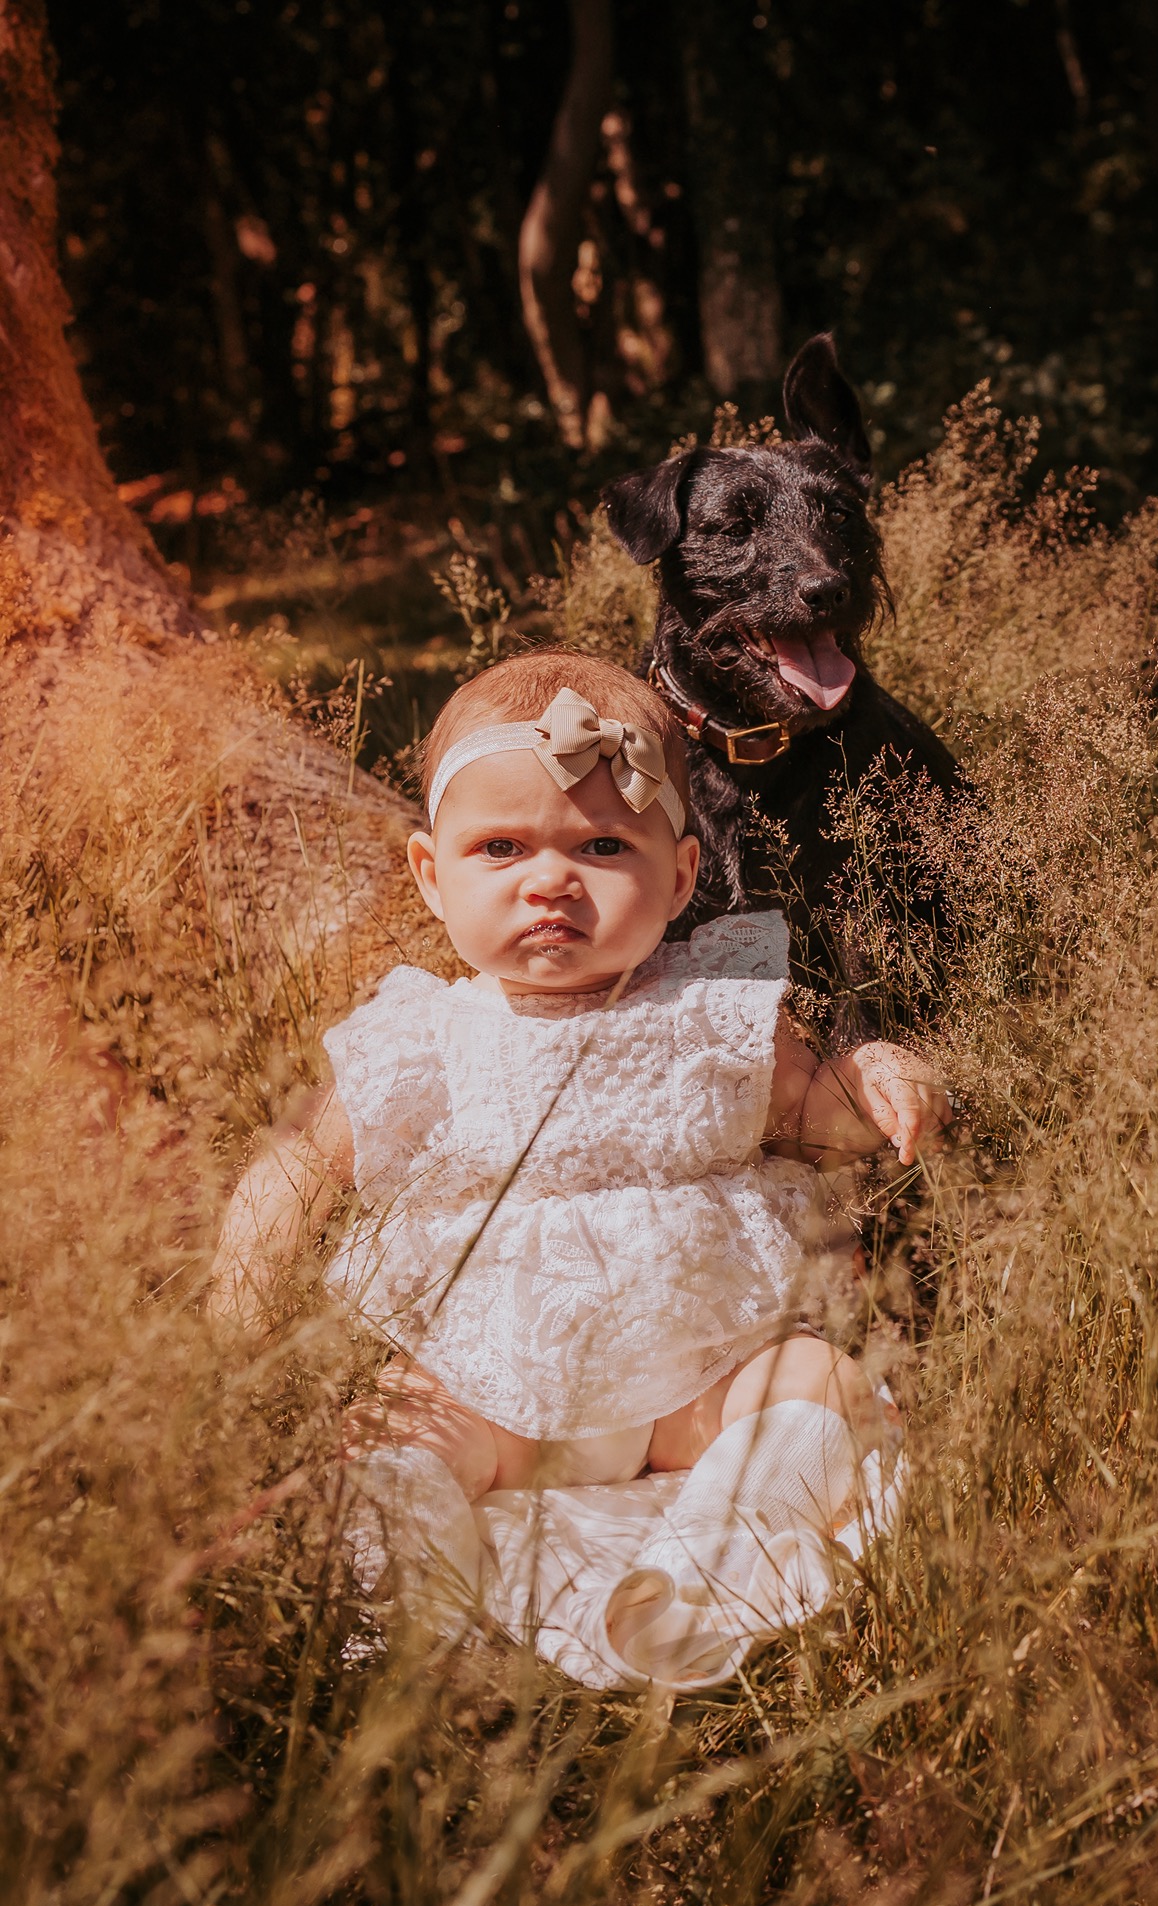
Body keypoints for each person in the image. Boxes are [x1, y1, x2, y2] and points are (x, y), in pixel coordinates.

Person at [212, 648, 950, 1682]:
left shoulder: (713, 1008)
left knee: (819, 1379)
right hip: (492, 1382)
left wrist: (876, 1075)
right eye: (502, 847)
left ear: (682, 873)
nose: (549, 878)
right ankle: (415, 1613)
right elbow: (302, 1163)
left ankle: (707, 1571)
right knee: (385, 1436)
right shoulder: (422, 1033)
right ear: (433, 873)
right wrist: (239, 1303)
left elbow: (814, 1114)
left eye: (603, 843)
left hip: (698, 1371)